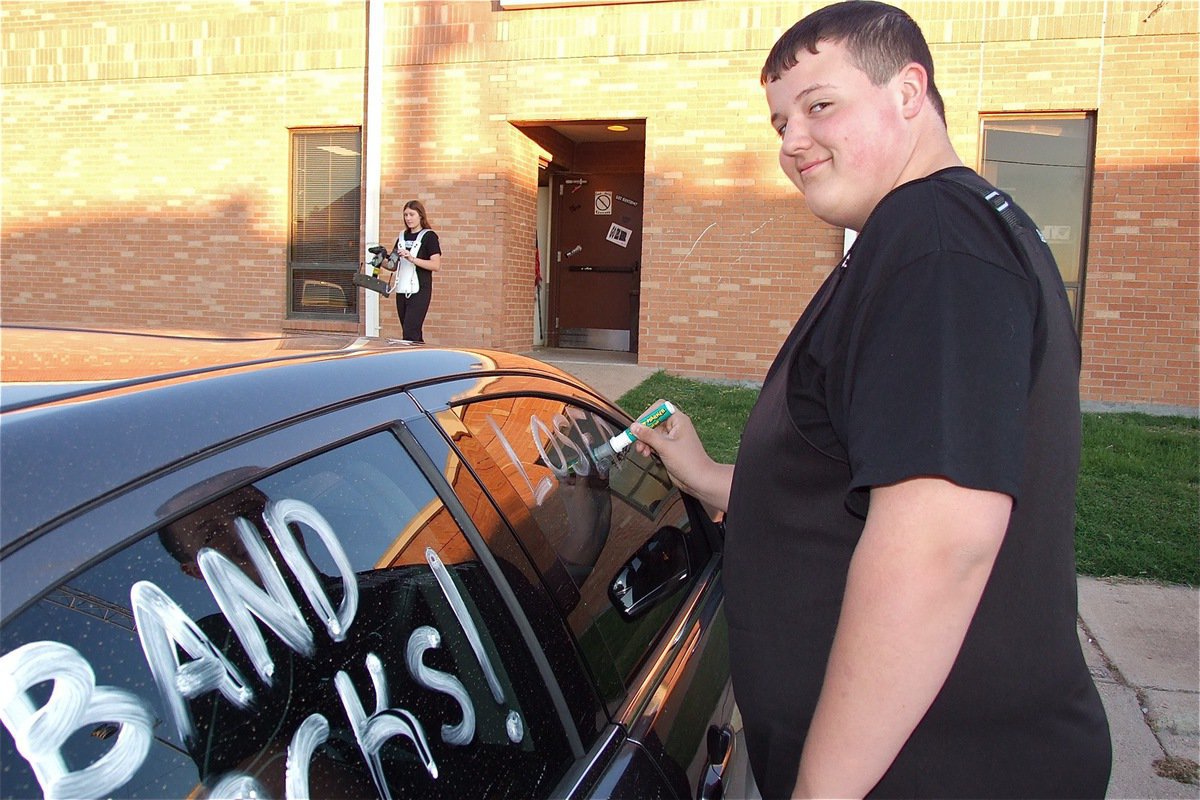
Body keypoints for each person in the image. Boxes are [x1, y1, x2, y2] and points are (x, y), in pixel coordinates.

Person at [630, 2, 1111, 797]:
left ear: (909, 92)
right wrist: (706, 472)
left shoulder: (936, 238)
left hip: (934, 772)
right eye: (779, 120)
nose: (790, 141)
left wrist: (824, 790)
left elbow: (939, 544)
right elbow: (848, 487)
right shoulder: (934, 235)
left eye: (820, 105)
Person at [394, 199, 442, 343]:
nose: (408, 218)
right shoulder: (402, 236)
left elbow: (435, 265)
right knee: (408, 330)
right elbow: (392, 264)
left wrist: (412, 258)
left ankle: (411, 361)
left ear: (420, 215)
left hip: (420, 290)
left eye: (411, 214)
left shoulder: (429, 237)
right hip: (402, 289)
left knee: (411, 331)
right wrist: (381, 258)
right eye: (405, 215)